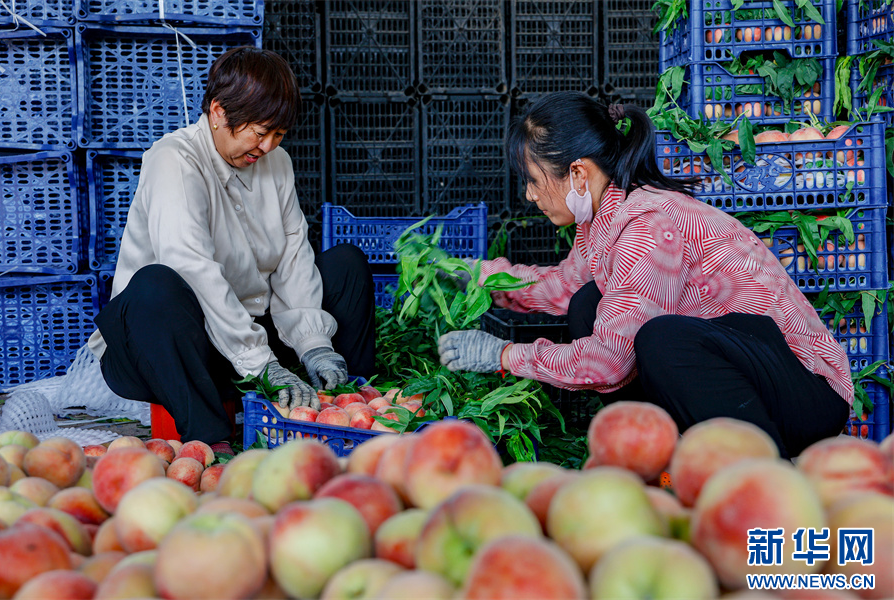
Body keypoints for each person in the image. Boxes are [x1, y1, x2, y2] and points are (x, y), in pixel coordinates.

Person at [438, 91, 852, 459]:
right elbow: (564, 288)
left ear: (578, 173)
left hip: (804, 393)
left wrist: (503, 356)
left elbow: (610, 363)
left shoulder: (647, 226)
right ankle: (658, 459)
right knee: (588, 301)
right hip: (740, 375)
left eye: (533, 180)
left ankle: (760, 472)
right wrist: (478, 278)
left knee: (663, 340)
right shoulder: (602, 220)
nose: (529, 195)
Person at [87, 47, 376, 452]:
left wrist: (315, 346)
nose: (268, 146)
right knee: (155, 285)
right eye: (260, 132)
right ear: (219, 112)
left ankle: (347, 407)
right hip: (172, 347)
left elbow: (294, 259)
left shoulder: (278, 164)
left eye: (279, 134)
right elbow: (191, 267)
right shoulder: (174, 160)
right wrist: (264, 365)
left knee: (346, 264)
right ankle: (209, 441)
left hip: (249, 333)